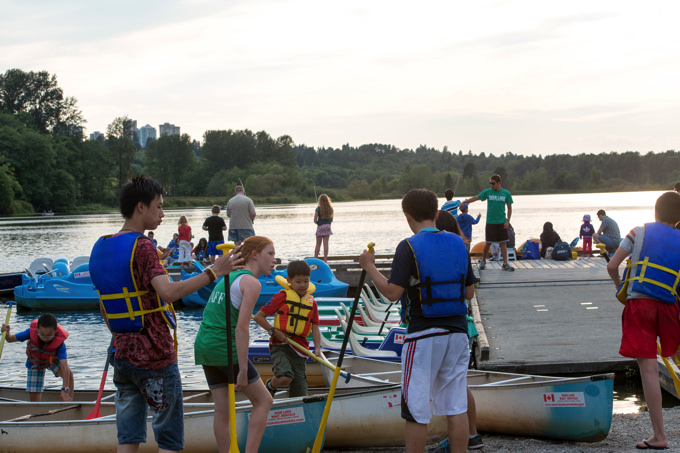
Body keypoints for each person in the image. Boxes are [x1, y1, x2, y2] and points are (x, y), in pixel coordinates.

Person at [89, 174, 243, 453]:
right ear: (140, 207)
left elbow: (104, 305)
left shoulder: (101, 246)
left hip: (122, 353)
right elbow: (168, 293)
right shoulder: (144, 246)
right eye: (158, 207)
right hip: (155, 355)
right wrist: (214, 271)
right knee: (169, 439)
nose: (162, 213)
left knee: (128, 438)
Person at [359, 188, 475, 453]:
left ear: (407, 216)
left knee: (415, 408)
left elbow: (391, 293)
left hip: (423, 335)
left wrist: (369, 267)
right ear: (436, 213)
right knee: (456, 406)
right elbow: (468, 292)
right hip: (458, 334)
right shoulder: (459, 242)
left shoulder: (408, 246)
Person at [606, 191, 680, 451]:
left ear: (655, 212)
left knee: (648, 370)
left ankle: (659, 436)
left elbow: (613, 265)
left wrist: (619, 289)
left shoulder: (638, 232)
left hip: (640, 305)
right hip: (669, 308)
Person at [194, 236, 276, 453]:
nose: (274, 260)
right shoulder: (251, 282)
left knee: (222, 408)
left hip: (204, 344)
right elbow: (241, 328)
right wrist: (241, 370)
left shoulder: (228, 278)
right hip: (223, 346)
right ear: (254, 255)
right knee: (264, 401)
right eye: (270, 254)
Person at [433, 210, 484, 450]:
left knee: (454, 386)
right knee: (460, 384)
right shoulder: (460, 250)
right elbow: (469, 292)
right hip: (462, 326)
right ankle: (472, 434)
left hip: (443, 327)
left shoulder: (434, 252)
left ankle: (463, 436)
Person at [254, 260, 321, 398]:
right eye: (298, 282)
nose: (303, 285)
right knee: (285, 377)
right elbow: (259, 317)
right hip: (280, 345)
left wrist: (318, 348)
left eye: (306, 281)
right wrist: (274, 331)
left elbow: (315, 326)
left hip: (300, 349)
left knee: (300, 393)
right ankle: (270, 386)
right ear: (289, 280)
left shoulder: (311, 302)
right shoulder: (282, 297)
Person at [0, 312, 74, 402]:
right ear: (37, 329)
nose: (45, 338)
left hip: (52, 360)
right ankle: (36, 408)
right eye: (42, 335)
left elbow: (64, 366)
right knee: (34, 396)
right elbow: (10, 339)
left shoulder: (60, 343)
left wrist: (64, 389)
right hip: (35, 362)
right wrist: (7, 333)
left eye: (49, 335)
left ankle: (68, 400)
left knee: (68, 375)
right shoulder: (30, 332)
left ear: (56, 330)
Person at [462, 174, 514, 271]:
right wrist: (465, 202)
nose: (491, 185)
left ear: (499, 183)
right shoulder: (488, 192)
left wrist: (508, 221)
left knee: (503, 243)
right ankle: (483, 261)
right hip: (490, 222)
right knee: (488, 243)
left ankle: (505, 263)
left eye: (493, 183)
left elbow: (510, 208)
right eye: (490, 183)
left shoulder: (506, 193)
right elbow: (476, 198)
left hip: (501, 222)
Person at [314, 194, 334, 262]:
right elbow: (331, 220)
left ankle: (316, 259)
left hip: (320, 227)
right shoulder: (330, 208)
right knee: (326, 244)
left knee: (318, 245)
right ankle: (325, 260)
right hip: (327, 227)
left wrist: (319, 223)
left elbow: (314, 220)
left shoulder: (318, 209)